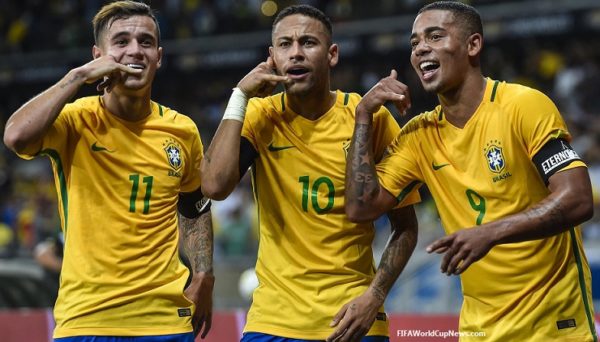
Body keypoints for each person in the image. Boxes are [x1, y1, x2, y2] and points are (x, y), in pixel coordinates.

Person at [345, 1, 596, 341]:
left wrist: (490, 233)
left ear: (473, 45)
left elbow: (578, 198)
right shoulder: (419, 135)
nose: (420, 49)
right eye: (414, 42)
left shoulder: (522, 105)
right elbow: (361, 207)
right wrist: (363, 116)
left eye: (434, 36)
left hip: (553, 326)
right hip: (479, 331)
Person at [201, 4, 419, 342]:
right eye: (285, 45)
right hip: (273, 321)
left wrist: (374, 297)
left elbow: (405, 227)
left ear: (332, 54)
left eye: (308, 43)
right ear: (272, 57)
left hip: (353, 320)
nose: (296, 54)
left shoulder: (371, 119)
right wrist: (240, 95)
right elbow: (213, 186)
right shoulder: (261, 116)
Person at [3, 1, 214, 341]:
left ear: (159, 56)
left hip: (165, 323)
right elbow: (16, 136)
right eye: (122, 42)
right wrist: (78, 76)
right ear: (98, 54)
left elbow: (194, 205)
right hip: (87, 319)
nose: (135, 50)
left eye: (146, 42)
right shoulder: (75, 120)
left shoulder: (182, 130)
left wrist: (204, 272)